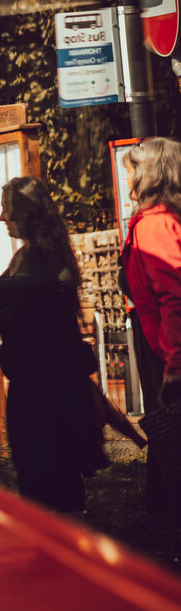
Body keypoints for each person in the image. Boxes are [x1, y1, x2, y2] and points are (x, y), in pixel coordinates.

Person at [0, 177, 98, 515]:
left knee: (46, 475)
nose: (1, 218)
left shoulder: (41, 259)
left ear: (27, 212)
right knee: (47, 474)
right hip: (40, 381)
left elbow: (27, 319)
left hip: (44, 386)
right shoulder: (42, 253)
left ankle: (60, 551)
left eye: (7, 209)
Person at [120, 138, 181, 525]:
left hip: (164, 349)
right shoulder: (164, 217)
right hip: (161, 343)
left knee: (171, 437)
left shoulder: (155, 225)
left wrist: (174, 365)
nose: (128, 178)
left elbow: (174, 298)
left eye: (132, 169)